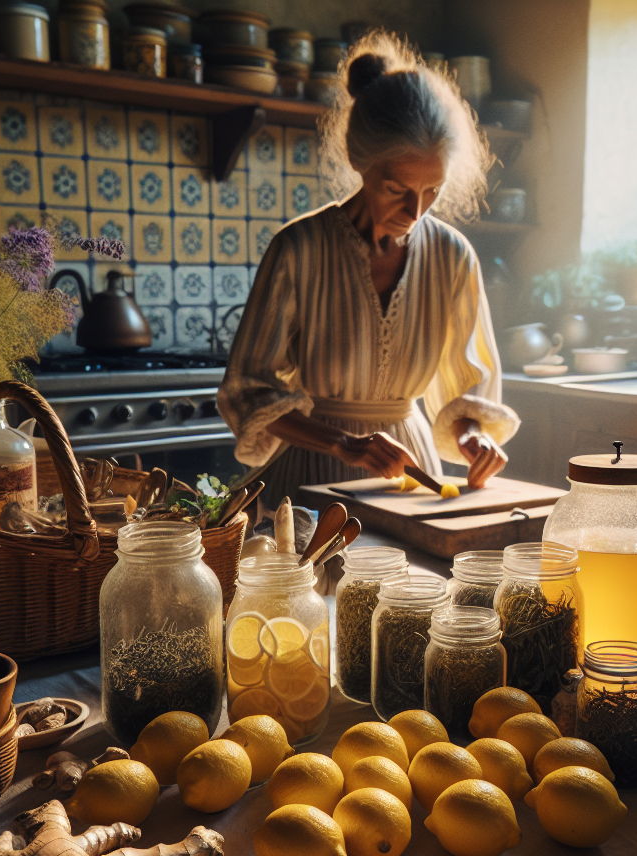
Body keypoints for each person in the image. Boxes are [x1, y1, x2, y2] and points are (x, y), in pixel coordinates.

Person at [218, 32, 520, 506]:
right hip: (312, 476)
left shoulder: (453, 257)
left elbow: (466, 386)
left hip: (410, 475)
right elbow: (246, 391)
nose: (415, 210)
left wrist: (472, 436)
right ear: (361, 160)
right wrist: (342, 443)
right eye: (397, 188)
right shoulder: (298, 249)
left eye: (432, 191)